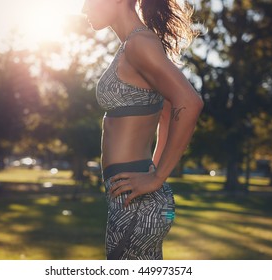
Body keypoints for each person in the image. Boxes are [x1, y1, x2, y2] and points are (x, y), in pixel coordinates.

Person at [82, 0, 203, 260]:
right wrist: (154, 171)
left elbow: (189, 103)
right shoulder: (132, 45)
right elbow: (168, 110)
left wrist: (157, 177)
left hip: (135, 204)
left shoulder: (140, 44)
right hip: (134, 197)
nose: (84, 8)